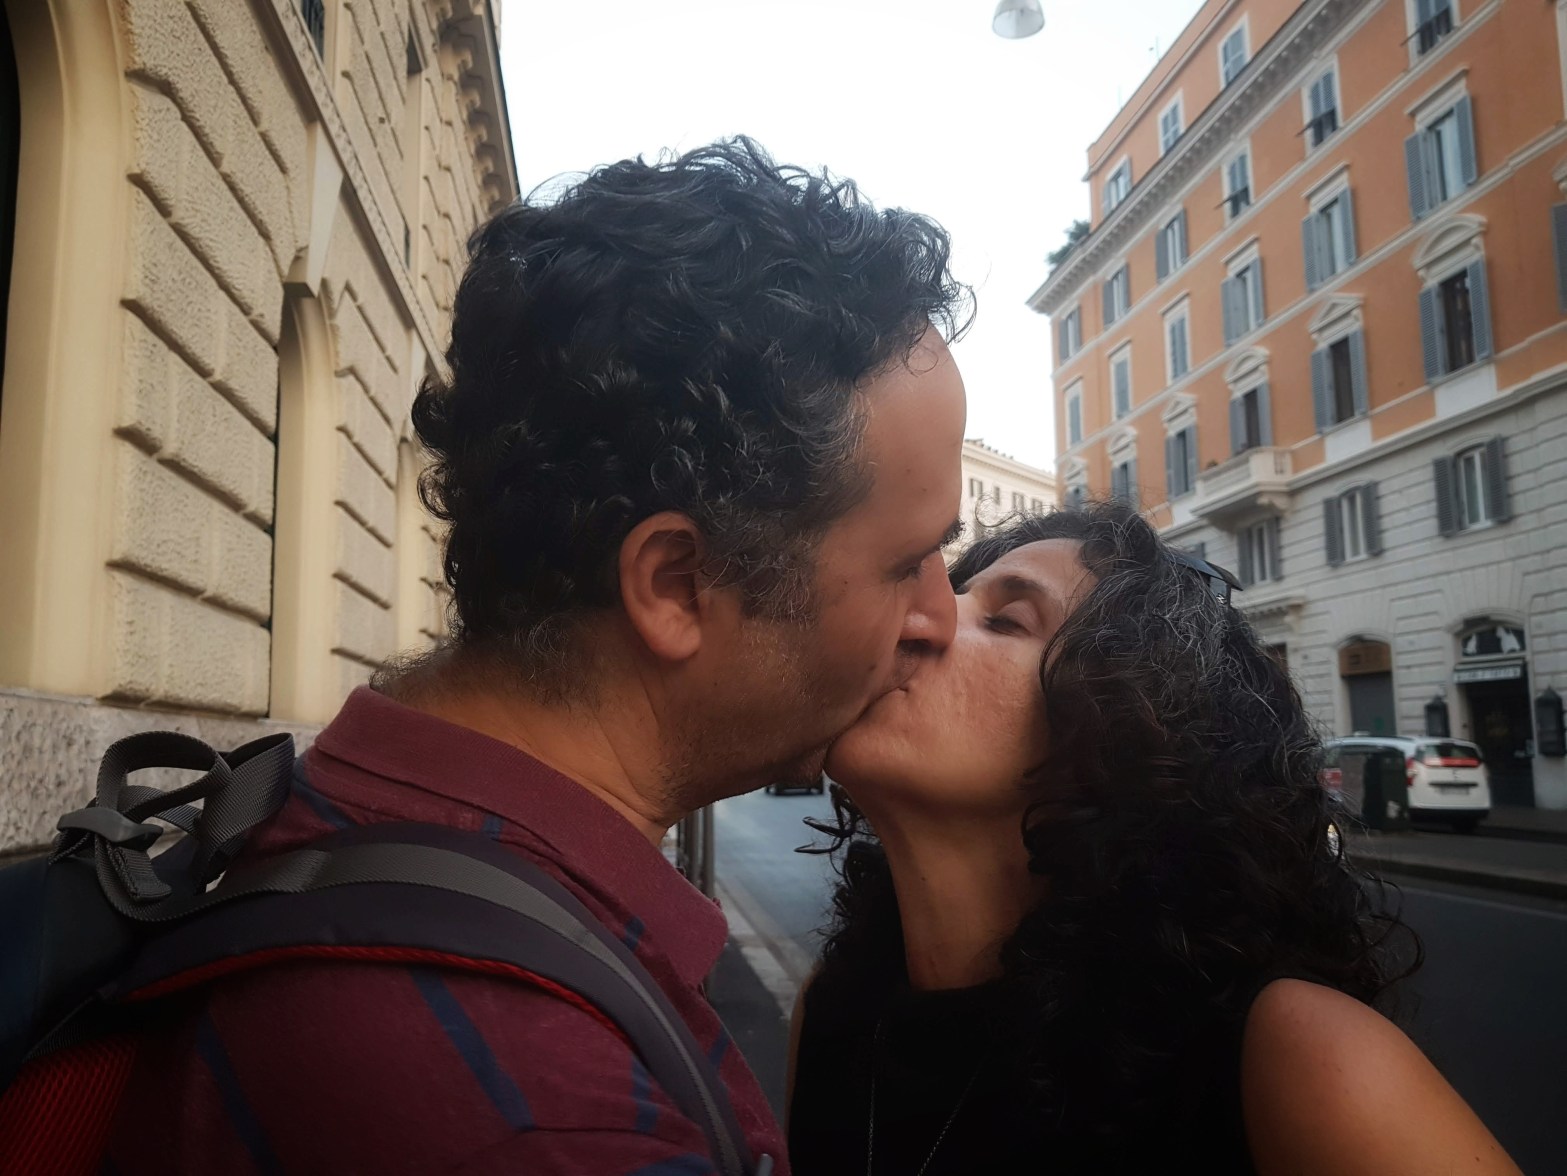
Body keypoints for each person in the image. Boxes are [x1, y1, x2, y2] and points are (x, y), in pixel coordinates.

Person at [103, 137, 971, 1173]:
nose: (940, 617)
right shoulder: (547, 1116)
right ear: (677, 586)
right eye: (908, 562)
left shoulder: (353, 823)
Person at [788, 502, 1520, 1175]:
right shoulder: (836, 1004)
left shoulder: (1300, 1058)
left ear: (1124, 738)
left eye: (1006, 620)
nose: (921, 617)